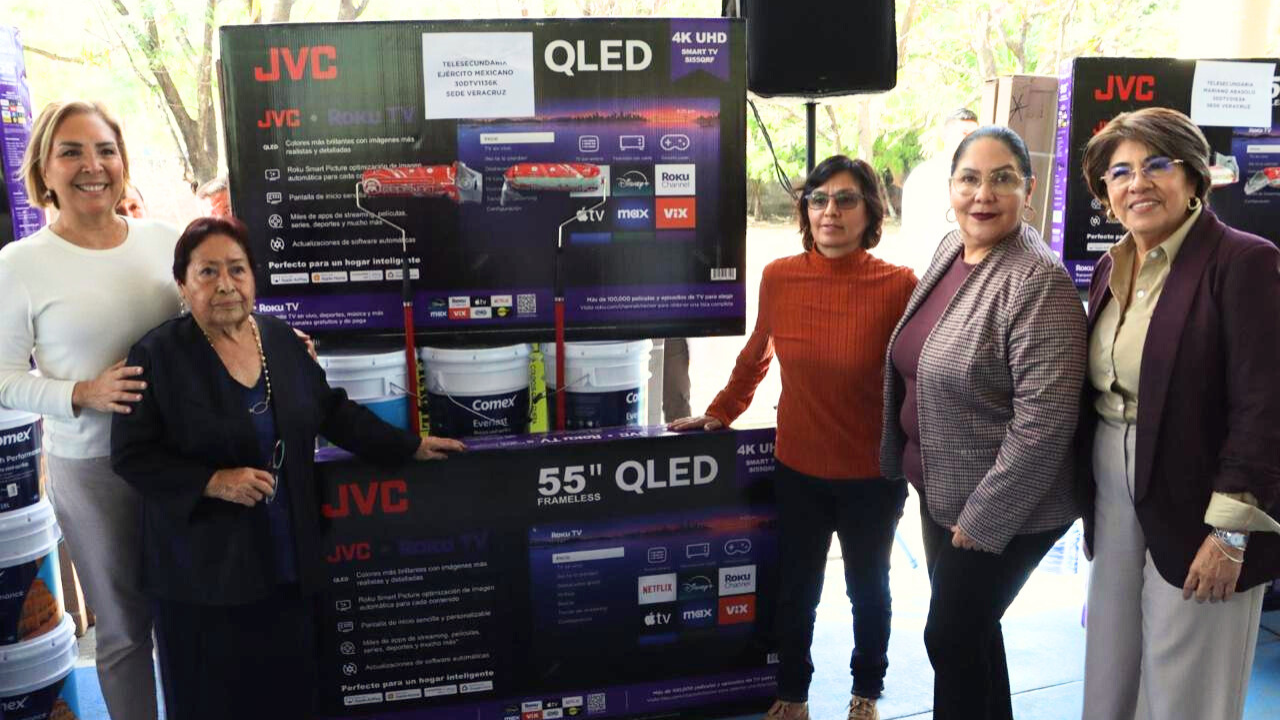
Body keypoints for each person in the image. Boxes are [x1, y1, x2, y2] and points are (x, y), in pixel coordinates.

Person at [110, 216, 465, 720]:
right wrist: (212, 482)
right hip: (203, 577)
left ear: (253, 278)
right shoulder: (156, 355)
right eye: (208, 272)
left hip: (286, 559)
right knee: (214, 702)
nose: (225, 284)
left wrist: (409, 446)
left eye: (237, 269)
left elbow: (332, 412)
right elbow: (132, 454)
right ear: (182, 285)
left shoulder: (279, 341)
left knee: (291, 693)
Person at [671, 156, 916, 720]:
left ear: (871, 212)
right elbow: (758, 353)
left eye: (846, 199)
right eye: (818, 199)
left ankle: (867, 689)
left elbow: (920, 376)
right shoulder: (779, 276)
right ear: (805, 210)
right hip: (799, 467)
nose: (830, 211)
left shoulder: (899, 285)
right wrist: (720, 411)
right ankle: (793, 691)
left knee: (868, 589)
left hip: (871, 475)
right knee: (796, 588)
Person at [1076, 107, 1280, 720]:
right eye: (1120, 172)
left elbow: (1265, 404)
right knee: (1110, 665)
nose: (1137, 183)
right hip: (1114, 479)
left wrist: (1231, 532)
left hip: (1203, 492)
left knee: (1187, 680)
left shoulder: (1243, 261)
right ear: (1106, 192)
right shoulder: (1113, 265)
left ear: (1193, 177)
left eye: (1156, 165)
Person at [880, 126, 1085, 720]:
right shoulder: (953, 249)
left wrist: (985, 515)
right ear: (950, 187)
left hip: (1005, 506)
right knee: (972, 637)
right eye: (969, 178)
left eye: (1002, 179)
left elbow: (1045, 423)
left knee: (949, 637)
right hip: (943, 491)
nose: (983, 194)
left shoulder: (1038, 281)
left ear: (1029, 189)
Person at [0, 100, 178, 720]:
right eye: (71, 152)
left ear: (122, 161)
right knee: (125, 629)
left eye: (105, 150)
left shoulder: (164, 241)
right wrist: (81, 393)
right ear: (44, 170)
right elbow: (3, 380)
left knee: (191, 614)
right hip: (93, 468)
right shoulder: (20, 265)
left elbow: (210, 324)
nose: (92, 166)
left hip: (182, 459)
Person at [888, 108, 979, 277]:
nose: (970, 141)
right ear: (946, 136)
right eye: (965, 134)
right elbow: (912, 234)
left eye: (975, 135)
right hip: (926, 271)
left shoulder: (980, 180)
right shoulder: (923, 176)